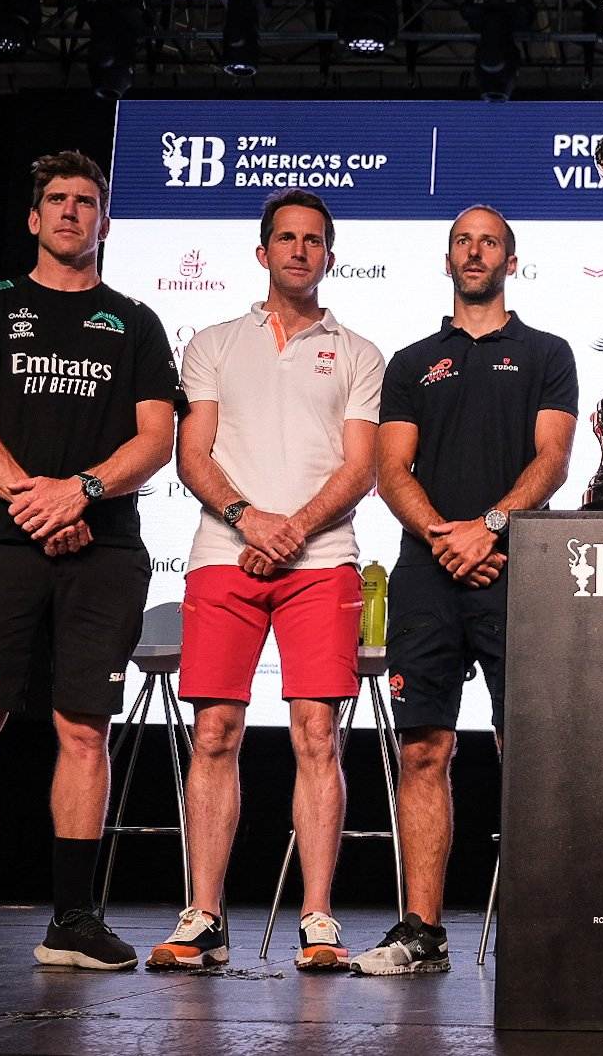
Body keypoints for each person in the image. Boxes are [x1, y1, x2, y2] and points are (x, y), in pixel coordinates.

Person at [0, 151, 178, 974]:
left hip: (105, 551)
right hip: (1, 544)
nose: (69, 213)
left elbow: (155, 438)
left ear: (103, 221)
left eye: (85, 201)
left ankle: (74, 920)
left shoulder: (133, 320)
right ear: (33, 217)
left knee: (84, 728)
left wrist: (81, 492)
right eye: (55, 200)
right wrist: (36, 499)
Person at [146, 189, 384, 972]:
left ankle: (318, 918)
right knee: (214, 732)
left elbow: (361, 468)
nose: (299, 250)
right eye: (285, 238)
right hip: (226, 554)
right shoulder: (212, 342)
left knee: (318, 734)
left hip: (322, 560)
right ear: (262, 252)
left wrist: (292, 531)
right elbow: (193, 454)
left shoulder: (358, 351)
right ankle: (205, 917)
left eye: (313, 240)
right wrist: (253, 522)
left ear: (329, 255)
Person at [348, 205, 578, 976]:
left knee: (530, 752)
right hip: (429, 573)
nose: (474, 251)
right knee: (423, 748)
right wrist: (451, 539)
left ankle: (540, 930)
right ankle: (422, 931)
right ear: (448, 258)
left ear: (511, 261)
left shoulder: (547, 352)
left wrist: (490, 526)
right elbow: (390, 470)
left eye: (489, 243)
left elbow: (553, 459)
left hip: (518, 567)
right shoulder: (412, 362)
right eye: (462, 241)